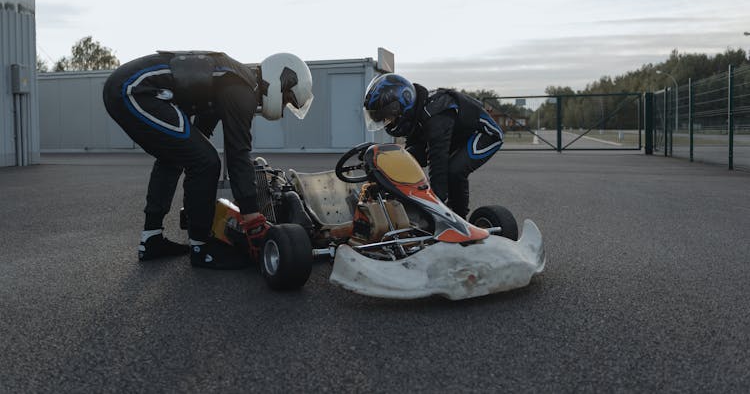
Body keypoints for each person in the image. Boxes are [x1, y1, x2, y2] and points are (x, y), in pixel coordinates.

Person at [103, 51, 313, 269]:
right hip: (134, 90)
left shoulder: (231, 82)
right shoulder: (241, 89)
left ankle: (152, 239)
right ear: (281, 80)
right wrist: (252, 216)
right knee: (207, 161)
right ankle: (201, 248)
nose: (284, 105)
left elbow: (198, 136)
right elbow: (238, 153)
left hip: (128, 88)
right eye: (288, 98)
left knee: (179, 156)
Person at [363, 73, 503, 219]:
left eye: (388, 116)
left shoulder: (435, 113)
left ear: (403, 102)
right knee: (409, 159)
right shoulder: (416, 113)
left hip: (485, 134)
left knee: (453, 171)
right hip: (456, 136)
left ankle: (459, 219)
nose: (388, 121)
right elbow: (412, 156)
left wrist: (436, 207)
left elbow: (438, 161)